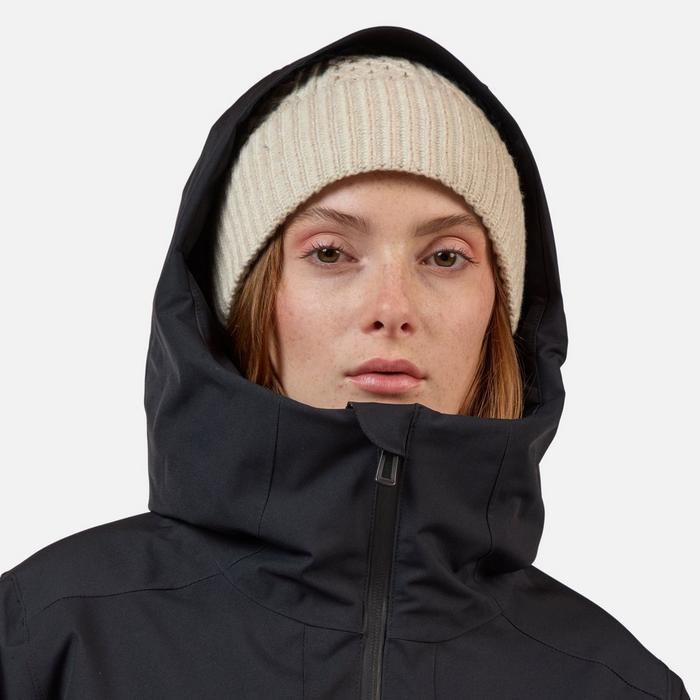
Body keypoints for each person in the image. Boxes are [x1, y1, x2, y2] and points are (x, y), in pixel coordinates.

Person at [0, 25, 690, 700]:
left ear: (498, 312)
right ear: (246, 300)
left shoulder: (614, 684)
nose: (392, 307)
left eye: (445, 257)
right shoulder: (49, 642)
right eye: (330, 253)